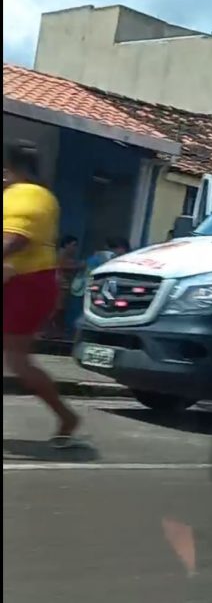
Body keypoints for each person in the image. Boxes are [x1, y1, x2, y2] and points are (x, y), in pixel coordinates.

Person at [3, 141, 83, 446]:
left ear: (11, 168)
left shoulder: (29, 195)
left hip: (27, 285)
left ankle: (67, 417)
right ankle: (66, 417)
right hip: (21, 282)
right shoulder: (27, 194)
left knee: (18, 361)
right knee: (17, 361)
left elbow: (15, 240)